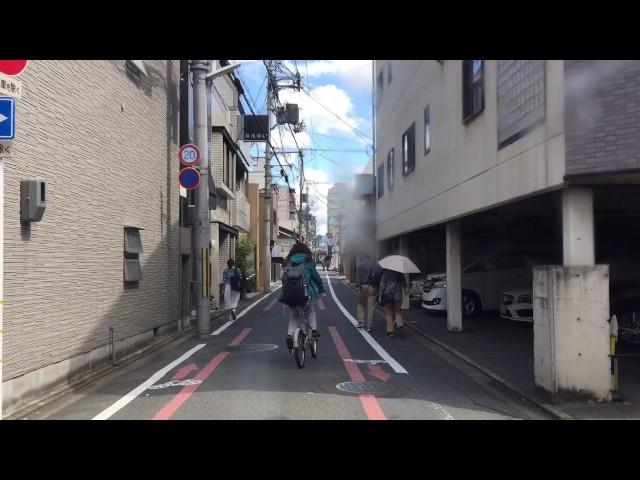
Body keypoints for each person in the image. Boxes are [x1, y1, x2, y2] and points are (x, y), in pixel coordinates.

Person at [280, 242, 326, 352]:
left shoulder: (288, 262)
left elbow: (283, 280)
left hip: (290, 296)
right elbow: (317, 278)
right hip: (306, 295)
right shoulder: (308, 262)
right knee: (310, 311)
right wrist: (321, 289)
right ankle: (314, 329)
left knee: (294, 317)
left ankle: (290, 335)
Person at [355, 255, 382, 332]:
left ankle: (361, 322)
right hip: (373, 287)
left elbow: (358, 278)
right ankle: (369, 325)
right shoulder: (376, 266)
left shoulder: (360, 266)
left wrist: (357, 287)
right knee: (371, 307)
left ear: (363, 258)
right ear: (370, 258)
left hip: (363, 286)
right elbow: (379, 277)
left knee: (361, 305)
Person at [378, 268, 407, 338]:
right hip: (398, 295)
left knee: (389, 312)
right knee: (398, 312)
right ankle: (400, 325)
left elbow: (382, 285)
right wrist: (406, 291)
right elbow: (404, 284)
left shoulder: (386, 274)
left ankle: (390, 331)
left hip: (388, 294)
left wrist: (380, 296)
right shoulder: (400, 274)